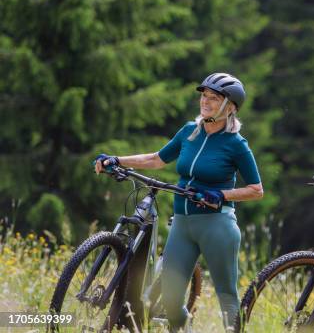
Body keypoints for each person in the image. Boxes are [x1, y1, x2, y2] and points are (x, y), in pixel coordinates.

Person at [94, 73, 264, 332]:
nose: (205, 101)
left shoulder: (236, 144)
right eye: (203, 95)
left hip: (217, 225)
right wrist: (118, 159)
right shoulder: (189, 132)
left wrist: (221, 195)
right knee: (171, 301)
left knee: (227, 297)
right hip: (182, 225)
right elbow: (157, 159)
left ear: (230, 107)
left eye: (214, 97)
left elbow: (256, 190)